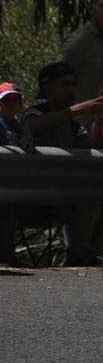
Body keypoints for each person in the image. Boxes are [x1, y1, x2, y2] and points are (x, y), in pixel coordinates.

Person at [20, 62, 103, 265]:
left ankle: (90, 255)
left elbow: (92, 146)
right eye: (64, 85)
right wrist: (79, 109)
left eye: (73, 84)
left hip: (63, 193)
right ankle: (78, 255)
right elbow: (34, 127)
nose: (71, 90)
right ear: (48, 89)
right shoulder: (36, 112)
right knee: (86, 198)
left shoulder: (72, 124)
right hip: (32, 197)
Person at [0, 82, 24, 265]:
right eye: (6, 100)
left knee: (8, 218)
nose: (11, 104)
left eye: (15, 100)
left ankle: (7, 256)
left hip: (13, 182)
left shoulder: (18, 125)